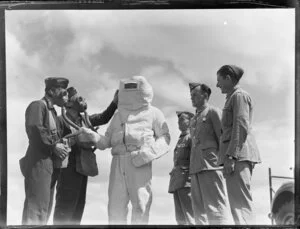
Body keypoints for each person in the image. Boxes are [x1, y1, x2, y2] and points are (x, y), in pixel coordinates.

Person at [66, 76, 171, 225]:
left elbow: (165, 138)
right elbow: (106, 142)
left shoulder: (154, 113)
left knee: (141, 205)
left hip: (140, 162)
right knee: (115, 208)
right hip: (117, 163)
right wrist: (92, 135)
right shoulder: (118, 115)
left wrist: (147, 155)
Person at [53, 87, 118, 225]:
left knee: (78, 206)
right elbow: (54, 142)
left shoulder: (85, 120)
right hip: (67, 169)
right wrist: (74, 139)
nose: (82, 100)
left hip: (82, 168)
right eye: (78, 98)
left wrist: (114, 102)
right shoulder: (60, 120)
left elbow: (103, 117)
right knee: (65, 205)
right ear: (69, 103)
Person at [20, 77, 70, 225]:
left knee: (44, 208)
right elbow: (35, 129)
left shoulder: (52, 111)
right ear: (51, 91)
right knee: (36, 209)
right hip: (38, 162)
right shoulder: (37, 105)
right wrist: (54, 146)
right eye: (63, 91)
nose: (65, 95)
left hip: (49, 164)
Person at [216, 65, 261, 225]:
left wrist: (231, 155)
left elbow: (240, 125)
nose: (217, 85)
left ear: (228, 78)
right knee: (238, 205)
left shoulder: (239, 96)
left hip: (238, 156)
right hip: (237, 155)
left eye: (219, 80)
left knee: (240, 205)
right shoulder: (233, 97)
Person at [188, 82, 233, 225]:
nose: (192, 97)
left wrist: (226, 161)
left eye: (195, 95)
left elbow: (223, 138)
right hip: (195, 168)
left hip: (211, 166)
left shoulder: (213, 112)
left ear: (205, 95)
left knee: (216, 209)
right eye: (191, 95)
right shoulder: (194, 119)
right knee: (199, 212)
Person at [168, 111, 194, 225]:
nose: (179, 122)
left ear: (190, 121)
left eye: (182, 119)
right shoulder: (180, 139)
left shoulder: (191, 137)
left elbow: (194, 159)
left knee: (190, 216)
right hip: (177, 181)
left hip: (186, 180)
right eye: (179, 120)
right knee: (180, 218)